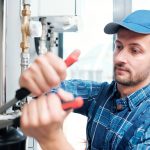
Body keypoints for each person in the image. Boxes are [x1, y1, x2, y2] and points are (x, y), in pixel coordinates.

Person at [19, 10, 150, 150]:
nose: (119, 58)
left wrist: (52, 140)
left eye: (135, 50)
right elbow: (47, 90)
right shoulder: (103, 94)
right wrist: (33, 82)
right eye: (119, 47)